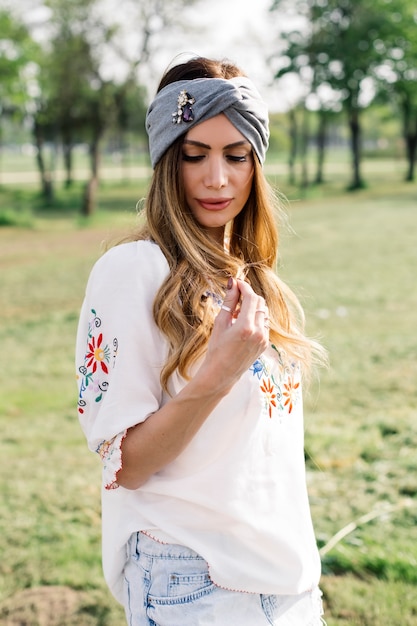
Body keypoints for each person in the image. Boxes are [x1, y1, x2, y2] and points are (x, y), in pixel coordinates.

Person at [76, 55, 327, 625]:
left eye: (237, 156)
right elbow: (129, 465)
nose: (217, 178)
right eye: (194, 156)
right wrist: (216, 375)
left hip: (288, 584)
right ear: (167, 161)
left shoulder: (260, 282)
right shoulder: (133, 271)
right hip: (193, 581)